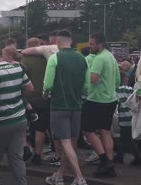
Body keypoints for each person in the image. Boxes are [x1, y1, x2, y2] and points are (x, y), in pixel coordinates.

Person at [43, 30, 89, 185]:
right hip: (77, 105)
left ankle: (79, 177)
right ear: (71, 41)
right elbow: (87, 86)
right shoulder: (83, 59)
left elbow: (48, 84)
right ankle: (60, 175)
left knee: (65, 143)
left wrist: (45, 93)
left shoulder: (54, 58)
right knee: (72, 142)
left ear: (57, 42)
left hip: (59, 106)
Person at [0, 44, 34, 185]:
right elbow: (30, 88)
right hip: (19, 118)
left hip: (1, 121)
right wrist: (16, 95)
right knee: (16, 157)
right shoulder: (17, 67)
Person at [82, 33, 120, 178]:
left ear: (100, 44)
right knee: (105, 131)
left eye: (91, 44)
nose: (89, 46)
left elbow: (92, 79)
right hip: (110, 99)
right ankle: (109, 163)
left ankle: (104, 160)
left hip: (96, 100)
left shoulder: (98, 59)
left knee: (87, 130)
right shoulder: (111, 57)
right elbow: (117, 80)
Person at [21, 38, 49, 165]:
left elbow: (22, 82)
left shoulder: (25, 61)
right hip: (43, 98)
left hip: (28, 99)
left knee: (23, 126)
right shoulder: (46, 59)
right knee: (40, 128)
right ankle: (38, 155)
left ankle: (26, 149)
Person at [113, 71, 141, 166]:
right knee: (125, 138)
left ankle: (137, 158)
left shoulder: (117, 90)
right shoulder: (130, 89)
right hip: (132, 117)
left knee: (128, 139)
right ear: (125, 79)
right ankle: (120, 156)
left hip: (123, 118)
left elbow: (116, 104)